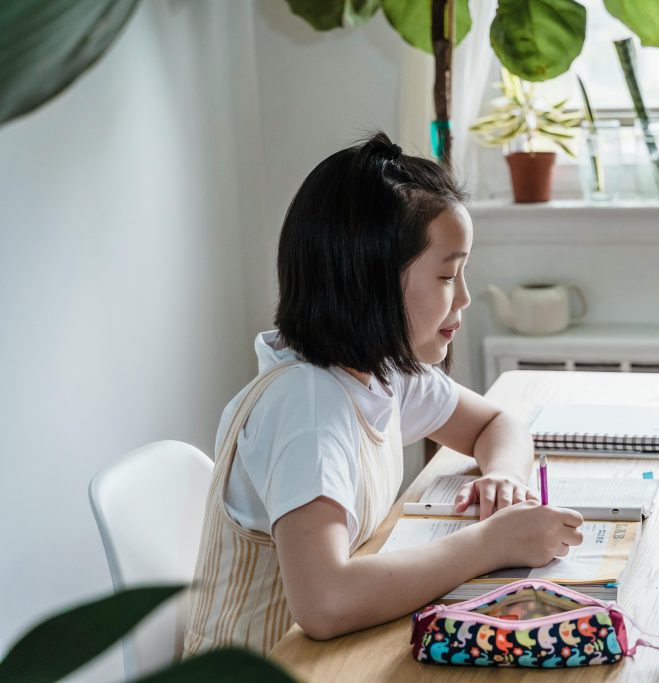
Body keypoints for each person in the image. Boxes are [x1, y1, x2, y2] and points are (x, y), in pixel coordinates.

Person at [183, 132, 584, 656]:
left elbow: (495, 425)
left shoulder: (381, 372)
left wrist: (503, 478)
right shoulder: (308, 408)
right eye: (448, 275)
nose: (464, 297)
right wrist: (490, 543)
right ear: (371, 283)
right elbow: (325, 603)